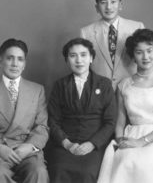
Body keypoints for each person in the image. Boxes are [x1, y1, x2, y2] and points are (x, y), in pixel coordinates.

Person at [97, 29, 153, 183]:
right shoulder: (123, 85)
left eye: (149, 51)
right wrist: (120, 140)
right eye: (139, 52)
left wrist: (141, 142)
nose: (146, 57)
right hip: (132, 134)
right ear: (133, 56)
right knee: (127, 163)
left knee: (152, 165)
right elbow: (120, 121)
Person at [0, 38, 49, 183]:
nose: (15, 64)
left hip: (26, 149)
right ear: (1, 61)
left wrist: (30, 146)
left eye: (20, 59)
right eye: (10, 58)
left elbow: (42, 126)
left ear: (24, 64)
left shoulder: (37, 90)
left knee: (38, 172)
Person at [46, 38, 117, 183]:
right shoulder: (60, 85)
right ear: (67, 60)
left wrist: (92, 144)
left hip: (95, 145)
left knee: (88, 172)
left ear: (91, 58)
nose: (79, 60)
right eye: (73, 56)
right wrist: (67, 143)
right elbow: (52, 120)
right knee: (59, 169)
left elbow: (110, 122)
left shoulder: (104, 84)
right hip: (65, 145)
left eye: (83, 55)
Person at [81, 0, 145, 90]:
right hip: (100, 91)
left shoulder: (137, 27)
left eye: (113, 1)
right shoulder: (86, 32)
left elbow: (145, 61)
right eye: (103, 2)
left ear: (120, 5)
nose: (109, 7)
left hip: (132, 89)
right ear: (97, 7)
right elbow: (84, 68)